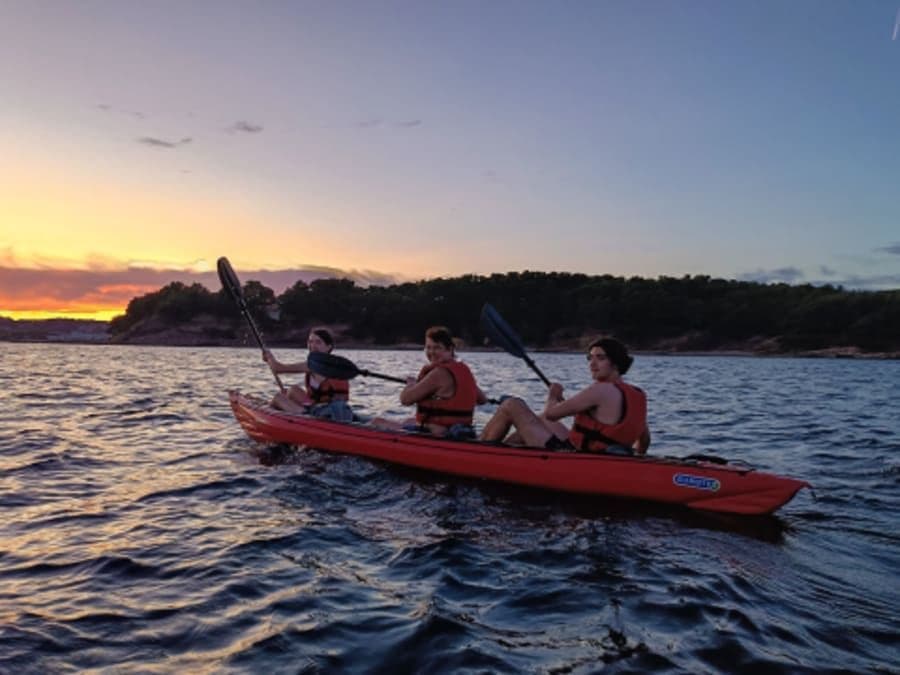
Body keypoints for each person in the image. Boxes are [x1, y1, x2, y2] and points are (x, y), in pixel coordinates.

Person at [479, 337, 651, 454]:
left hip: (574, 456)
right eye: (590, 358)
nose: (592, 363)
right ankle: (506, 451)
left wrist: (553, 396)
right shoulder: (638, 394)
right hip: (602, 456)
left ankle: (479, 451)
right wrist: (636, 458)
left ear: (615, 362)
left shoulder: (600, 389)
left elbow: (552, 414)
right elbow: (644, 439)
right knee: (539, 421)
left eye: (600, 358)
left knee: (512, 405)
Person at [371, 325, 489, 437]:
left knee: (376, 422)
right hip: (458, 431)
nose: (431, 352)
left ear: (450, 349)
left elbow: (405, 399)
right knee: (409, 420)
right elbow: (482, 399)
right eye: (428, 347)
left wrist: (410, 385)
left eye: (437, 347)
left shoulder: (438, 374)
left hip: (435, 434)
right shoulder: (463, 370)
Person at [262, 326, 353, 421]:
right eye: (310, 341)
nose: (313, 346)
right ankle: (285, 409)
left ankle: (268, 414)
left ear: (328, 347)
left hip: (323, 415)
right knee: (293, 390)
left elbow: (278, 368)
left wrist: (269, 357)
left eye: (318, 342)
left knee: (278, 398)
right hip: (337, 411)